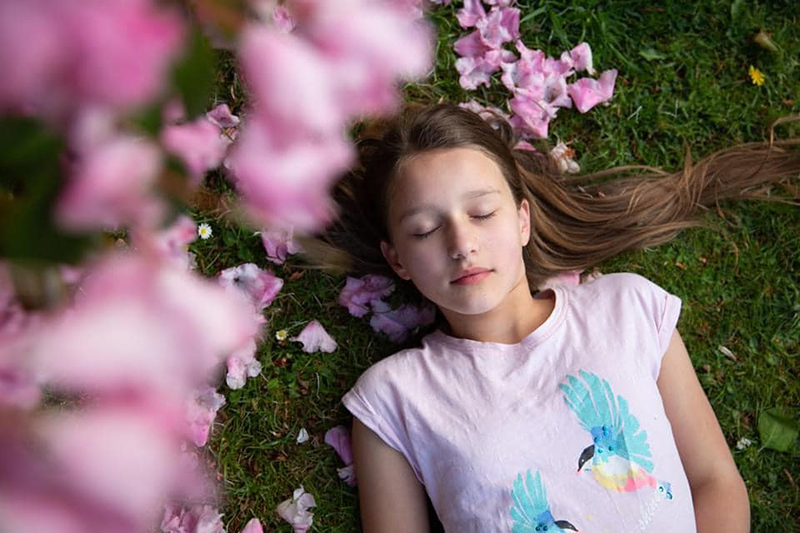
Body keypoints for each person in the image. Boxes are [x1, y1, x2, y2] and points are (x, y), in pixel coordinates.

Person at [312, 103, 800, 532]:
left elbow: (714, 481)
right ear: (397, 259)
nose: (462, 245)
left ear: (521, 220)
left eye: (482, 213)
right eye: (425, 230)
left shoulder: (626, 308)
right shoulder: (394, 400)